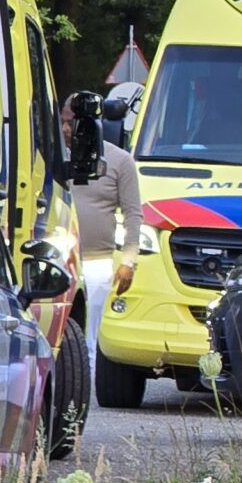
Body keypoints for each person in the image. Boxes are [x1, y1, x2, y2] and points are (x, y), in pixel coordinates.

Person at [72, 85, 142, 357]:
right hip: (59, 261)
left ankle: (82, 397)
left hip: (96, 262)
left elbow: (133, 213)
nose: (67, 129)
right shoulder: (52, 156)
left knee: (88, 339)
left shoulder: (120, 161)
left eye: (72, 122)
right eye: (63, 122)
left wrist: (128, 260)